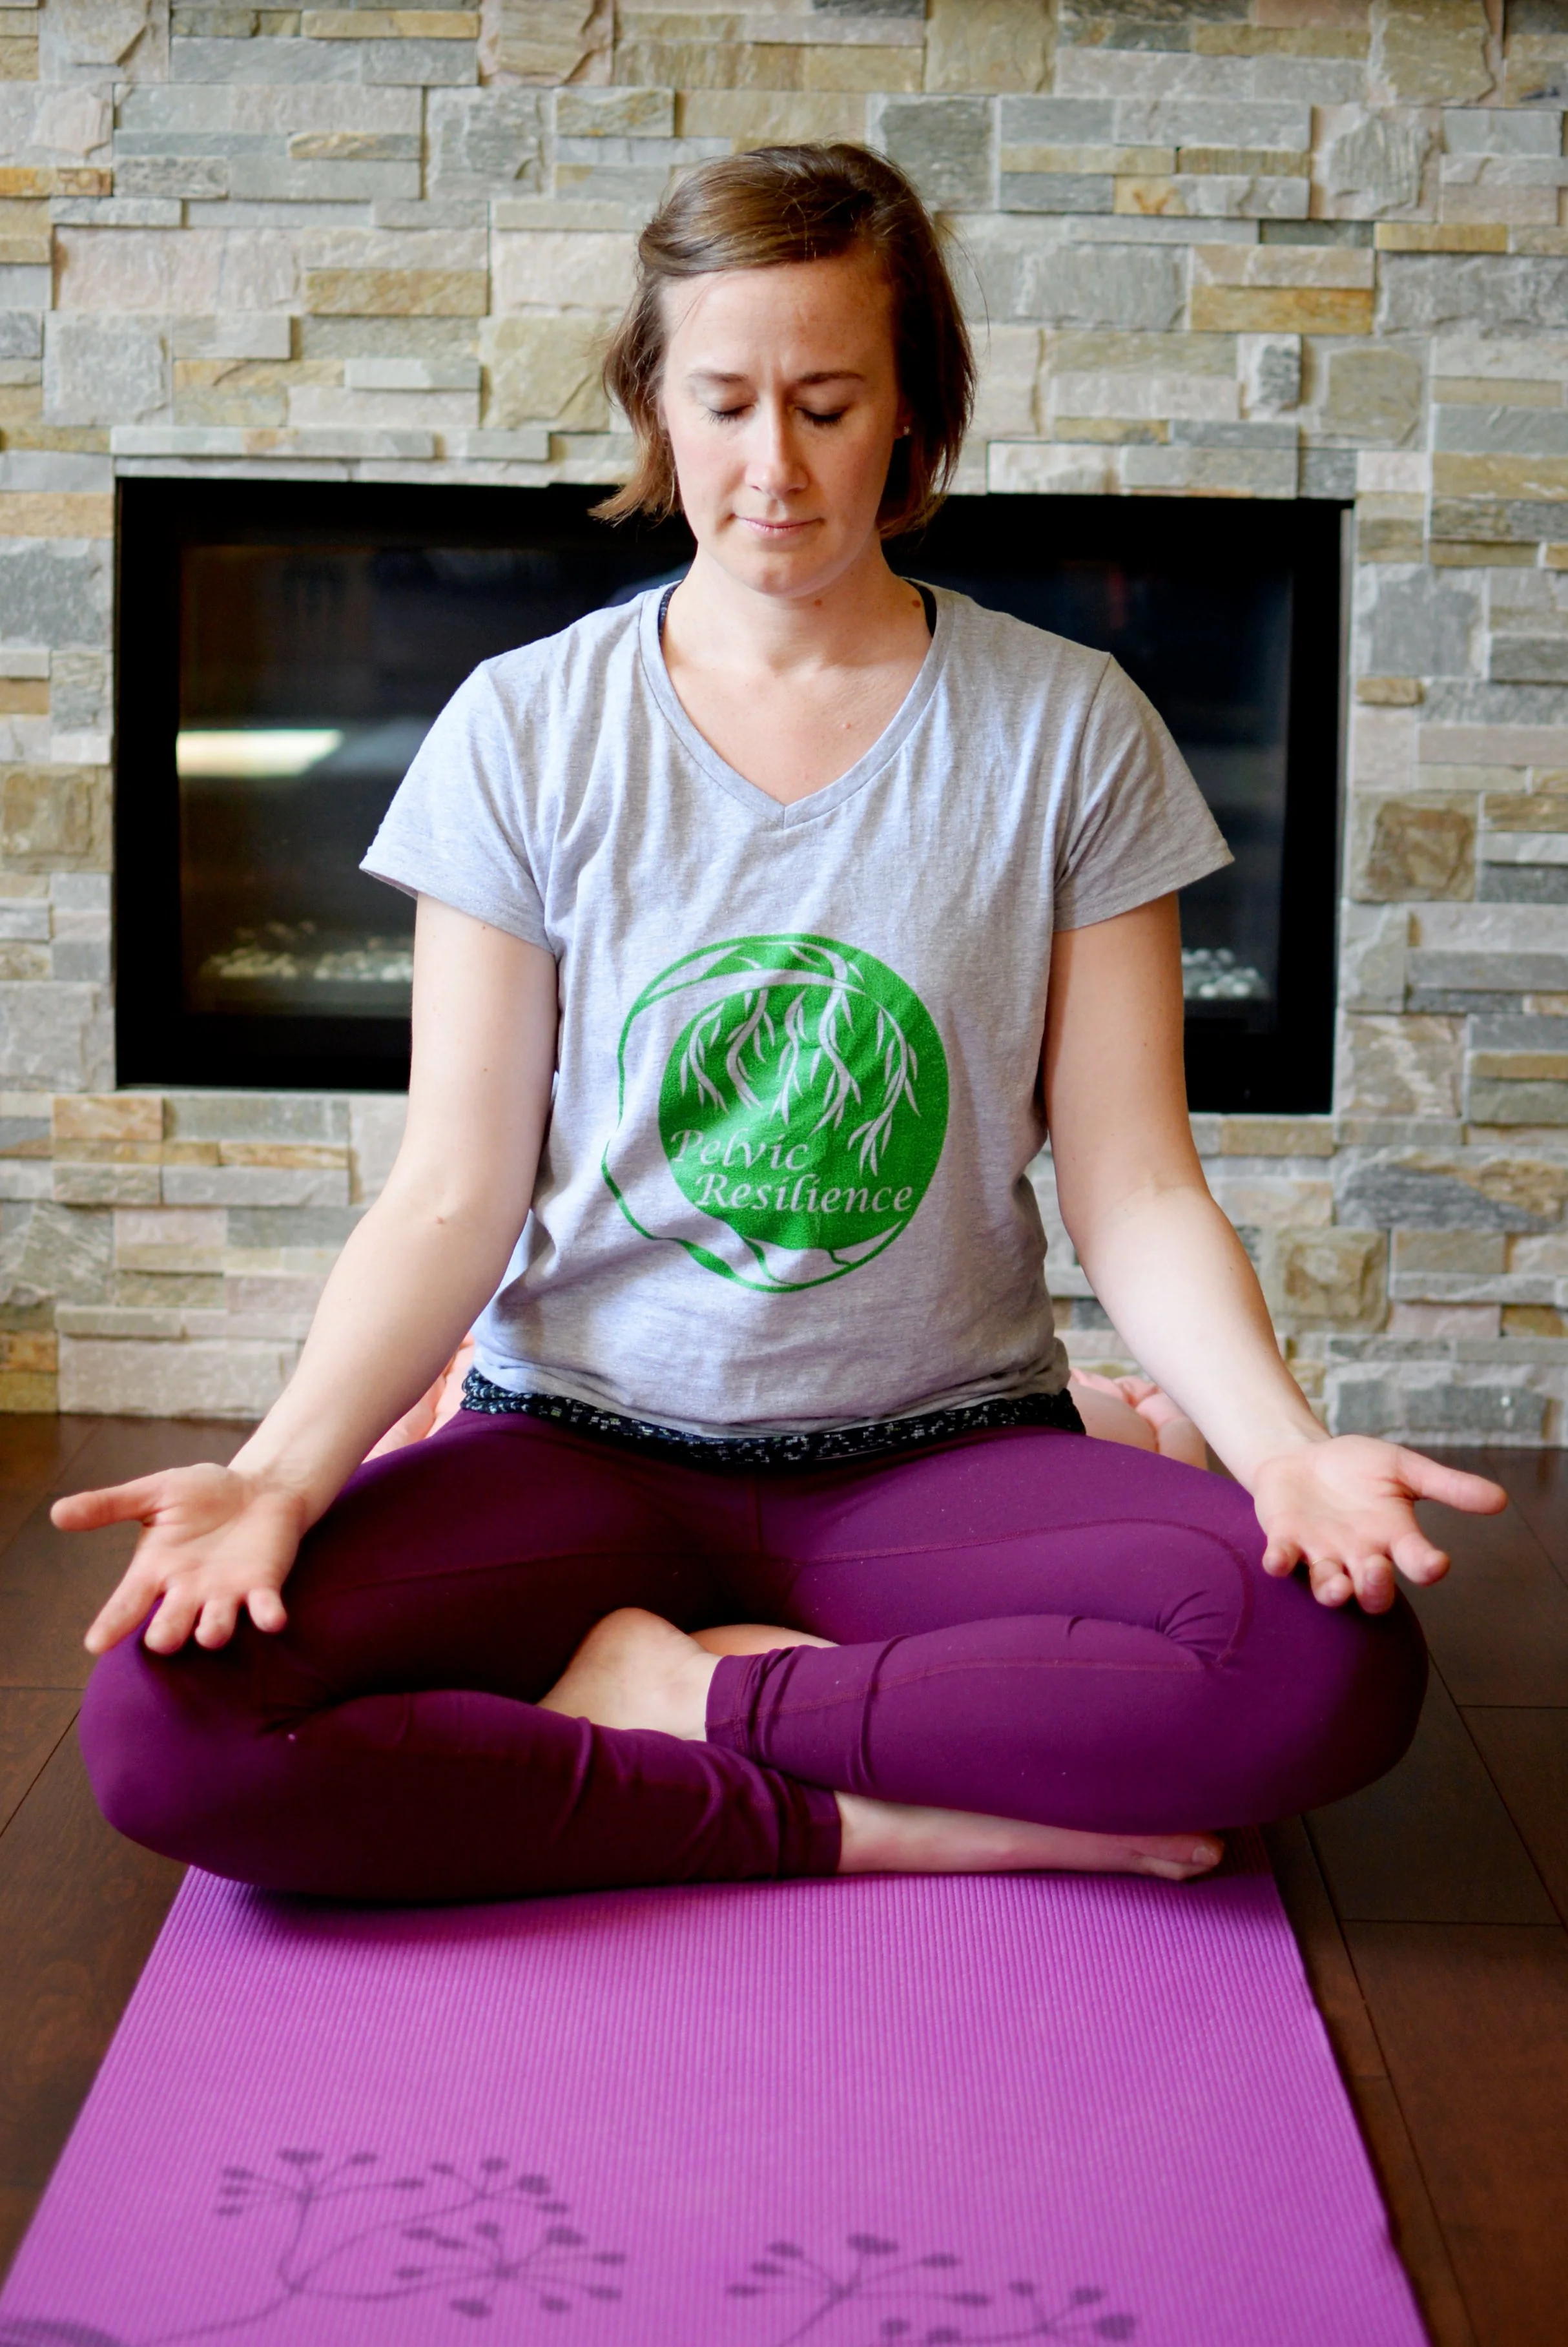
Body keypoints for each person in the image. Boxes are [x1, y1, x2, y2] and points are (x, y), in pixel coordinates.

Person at [63, 143, 1504, 1907]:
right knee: (166, 1718)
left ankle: (689, 1702)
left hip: (940, 1455)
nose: (771, 467)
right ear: (654, 410)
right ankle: (848, 1813)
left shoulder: (1068, 729)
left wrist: (1285, 1452)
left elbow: (1135, 1187)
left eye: (826, 404)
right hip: (572, 1443)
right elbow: (449, 1190)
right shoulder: (523, 730)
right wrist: (282, 1475)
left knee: (1322, 1666)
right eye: (725, 402)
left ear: (911, 418)